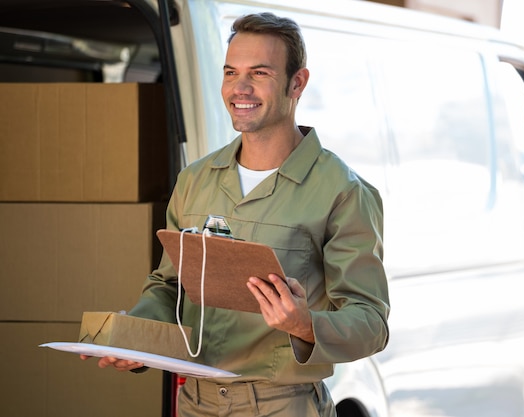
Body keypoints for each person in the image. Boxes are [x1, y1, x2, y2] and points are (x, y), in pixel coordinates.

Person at [82, 12, 389, 417]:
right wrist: (134, 338)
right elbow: (168, 288)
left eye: (259, 73)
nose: (239, 87)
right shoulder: (194, 180)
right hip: (194, 402)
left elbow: (371, 323)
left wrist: (304, 324)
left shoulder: (343, 192)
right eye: (231, 72)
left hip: (282, 406)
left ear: (297, 83)